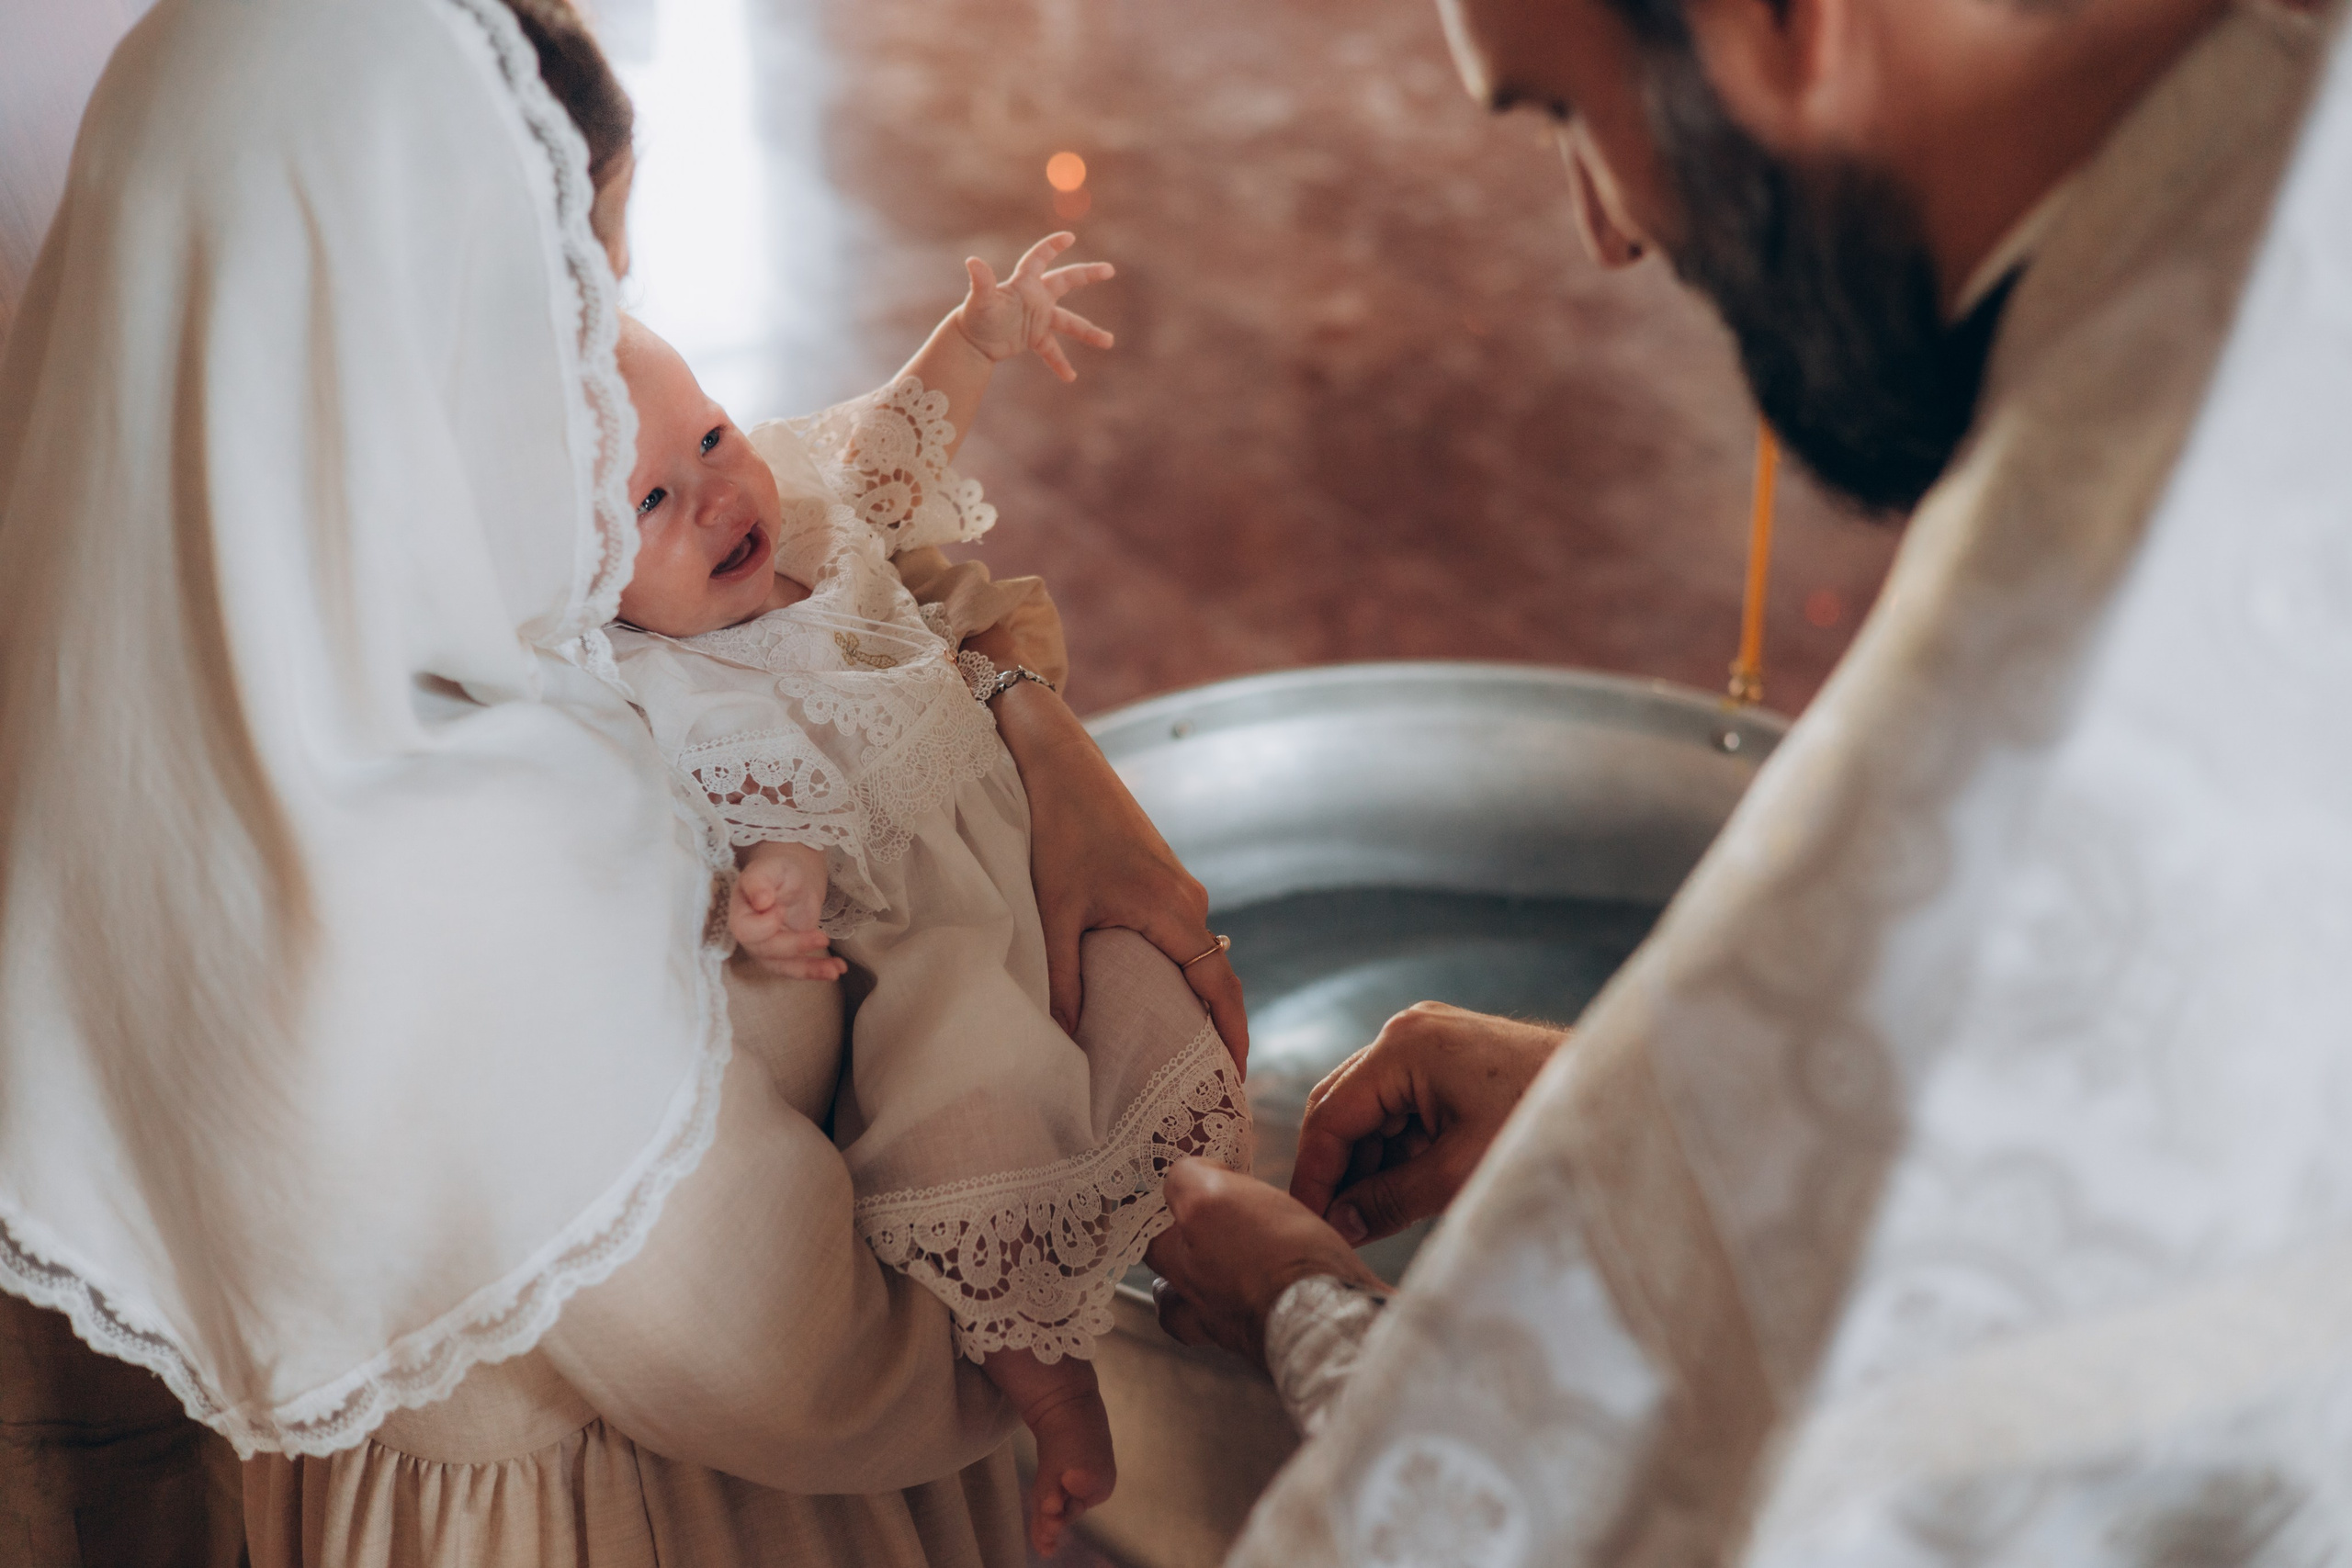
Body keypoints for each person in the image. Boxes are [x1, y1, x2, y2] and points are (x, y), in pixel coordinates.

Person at [0, 0, 1244, 1562]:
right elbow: (796, 1359)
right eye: (562, 317)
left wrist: (1022, 725)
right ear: (403, 351)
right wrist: (1027, 1340)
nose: (610, 386)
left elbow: (836, 550)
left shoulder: (251, 645)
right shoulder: (452, 875)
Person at [1148, 0, 2352, 1561]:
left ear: (1787, 24)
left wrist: (1303, 1308)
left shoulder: (2061, 679)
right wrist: (1640, 1111)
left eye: (1568, 114)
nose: (1606, 235)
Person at [608, 244, 1251, 1551]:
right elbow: (768, 832)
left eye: (714, 437)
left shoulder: (807, 516)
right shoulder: (679, 692)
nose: (717, 498)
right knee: (970, 1116)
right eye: (653, 502)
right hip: (926, 934)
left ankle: (1211, 1231)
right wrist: (772, 898)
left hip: (1021, 849)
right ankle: (1054, 1389)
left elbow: (891, 447)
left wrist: (977, 336)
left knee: (1150, 1002)